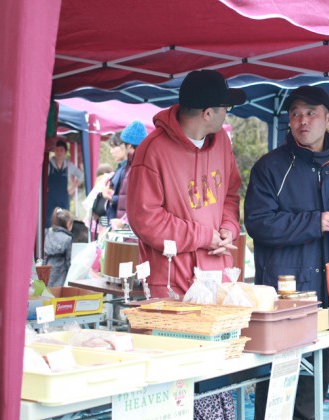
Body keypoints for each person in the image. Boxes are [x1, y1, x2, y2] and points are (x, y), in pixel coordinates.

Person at [126, 70, 245, 418]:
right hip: (173, 286)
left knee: (219, 379)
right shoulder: (152, 151)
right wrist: (204, 236)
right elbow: (145, 219)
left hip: (218, 283)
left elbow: (230, 193)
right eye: (225, 108)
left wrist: (227, 228)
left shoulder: (221, 141)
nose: (227, 115)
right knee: (180, 385)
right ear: (208, 113)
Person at [245, 86, 329, 419]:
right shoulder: (270, 167)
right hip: (284, 291)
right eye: (296, 113)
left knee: (315, 384)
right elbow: (258, 223)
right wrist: (314, 222)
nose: (302, 121)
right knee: (277, 382)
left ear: (328, 118)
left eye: (311, 113)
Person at [110, 120, 148, 229]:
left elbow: (141, 202)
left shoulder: (138, 168)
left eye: (123, 145)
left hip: (131, 231)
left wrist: (124, 222)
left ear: (130, 146)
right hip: (127, 229)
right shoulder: (132, 166)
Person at [46, 139, 84, 227]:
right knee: (49, 222)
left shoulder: (68, 165)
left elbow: (81, 176)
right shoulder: (49, 164)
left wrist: (73, 188)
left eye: (61, 150)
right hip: (50, 199)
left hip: (63, 198)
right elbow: (40, 177)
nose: (59, 153)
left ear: (65, 152)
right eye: (57, 150)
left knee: (64, 221)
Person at [101, 133, 129, 225]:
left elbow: (128, 198)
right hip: (114, 220)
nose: (111, 151)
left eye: (113, 147)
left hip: (121, 223)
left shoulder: (128, 170)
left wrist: (109, 196)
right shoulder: (120, 169)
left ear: (124, 147)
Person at [44, 207, 74, 287]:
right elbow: (69, 261)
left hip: (47, 270)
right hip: (61, 273)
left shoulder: (48, 234)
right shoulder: (68, 238)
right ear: (68, 224)